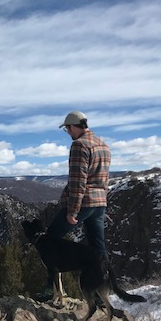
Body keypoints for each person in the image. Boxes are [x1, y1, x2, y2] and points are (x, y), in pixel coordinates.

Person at [48, 110, 111, 259]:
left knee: (49, 239)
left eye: (67, 129)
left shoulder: (79, 145)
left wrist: (73, 211)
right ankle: (106, 279)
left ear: (73, 127)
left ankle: (55, 276)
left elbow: (78, 181)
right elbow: (105, 178)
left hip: (84, 203)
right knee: (98, 247)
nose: (68, 133)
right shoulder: (103, 145)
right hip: (99, 203)